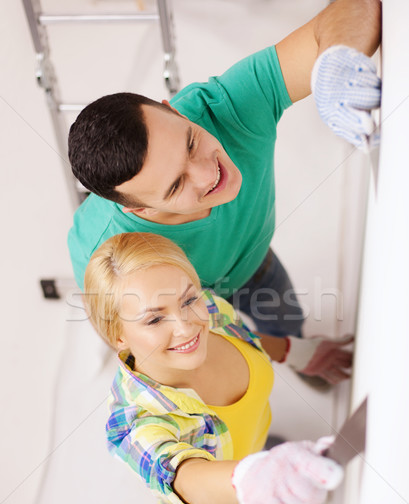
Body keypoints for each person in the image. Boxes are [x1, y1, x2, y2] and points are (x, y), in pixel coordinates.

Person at [69, 0, 381, 340]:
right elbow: (129, 339)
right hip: (181, 306)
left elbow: (352, 7)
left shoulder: (224, 109)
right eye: (176, 186)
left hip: (253, 262)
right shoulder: (110, 257)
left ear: (172, 110)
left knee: (288, 323)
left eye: (190, 143)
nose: (208, 174)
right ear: (137, 209)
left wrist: (336, 64)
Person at [83, 232, 350, 504]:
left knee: (257, 441)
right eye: (154, 319)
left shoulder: (209, 309)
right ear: (117, 335)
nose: (186, 327)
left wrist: (298, 353)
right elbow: (178, 474)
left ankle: (258, 449)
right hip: (206, 501)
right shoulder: (134, 423)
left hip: (249, 438)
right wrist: (248, 478)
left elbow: (248, 338)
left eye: (187, 299)